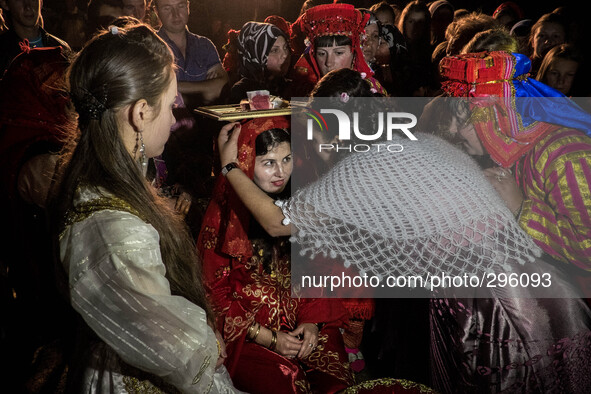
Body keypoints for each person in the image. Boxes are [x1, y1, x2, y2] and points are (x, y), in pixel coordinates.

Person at [216, 77, 591, 393]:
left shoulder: (359, 170)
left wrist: (230, 166)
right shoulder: (415, 144)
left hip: (493, 307)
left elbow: (277, 223)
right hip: (532, 288)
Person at [49, 23, 241, 393]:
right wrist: (209, 344)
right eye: (170, 106)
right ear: (140, 113)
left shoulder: (99, 173)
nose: (173, 120)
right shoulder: (116, 230)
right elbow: (175, 350)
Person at [197, 116, 355, 393]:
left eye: (287, 159)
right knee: (290, 381)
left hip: (299, 320)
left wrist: (312, 322)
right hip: (246, 334)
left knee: (335, 382)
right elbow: (214, 296)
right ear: (246, 163)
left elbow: (316, 268)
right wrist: (269, 338)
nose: (281, 172)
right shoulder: (225, 216)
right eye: (268, 162)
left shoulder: (305, 197)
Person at [438, 50, 591, 292]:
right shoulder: (507, 150)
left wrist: (522, 209)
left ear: (497, 115)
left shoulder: (566, 155)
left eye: (463, 120)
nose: (453, 130)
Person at [291, 3, 386, 97]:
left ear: (354, 52)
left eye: (339, 53)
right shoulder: (304, 90)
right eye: (321, 54)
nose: (329, 62)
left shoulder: (370, 91)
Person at [154, 0, 228, 107]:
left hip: (204, 122)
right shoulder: (150, 47)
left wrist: (171, 88)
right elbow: (153, 89)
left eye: (181, 6)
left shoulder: (204, 45)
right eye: (167, 8)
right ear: (156, 11)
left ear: (188, 7)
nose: (175, 14)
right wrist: (205, 89)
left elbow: (222, 85)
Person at [0, 0, 69, 76]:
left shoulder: (61, 48)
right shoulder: (3, 52)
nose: (28, 7)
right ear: (5, 3)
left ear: (41, 2)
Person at [228, 21, 292, 103]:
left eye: (286, 47)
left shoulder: (294, 87)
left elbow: (311, 115)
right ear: (256, 54)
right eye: (275, 50)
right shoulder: (241, 92)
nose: (284, 55)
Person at [527, 12, 568, 76]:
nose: (548, 41)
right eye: (542, 36)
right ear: (532, 41)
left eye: (555, 36)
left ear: (565, 41)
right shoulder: (519, 71)